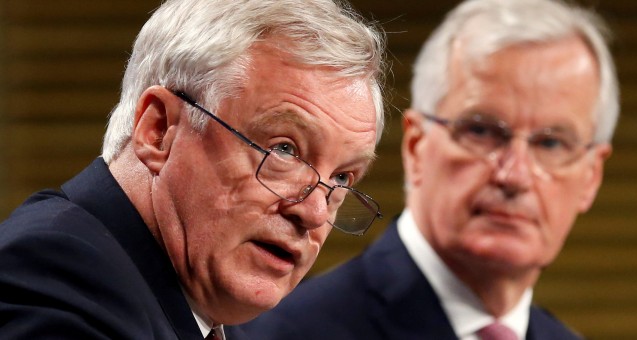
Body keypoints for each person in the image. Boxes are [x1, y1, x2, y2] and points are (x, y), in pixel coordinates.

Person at [0, 0, 387, 338]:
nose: (314, 212)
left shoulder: (212, 315)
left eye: (341, 178)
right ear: (158, 131)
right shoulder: (55, 280)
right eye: (284, 150)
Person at [237, 0, 619, 339]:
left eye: (551, 143)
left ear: (591, 177)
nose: (514, 175)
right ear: (416, 147)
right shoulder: (282, 331)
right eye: (482, 131)